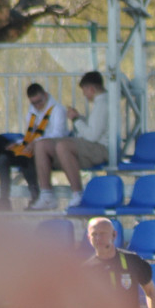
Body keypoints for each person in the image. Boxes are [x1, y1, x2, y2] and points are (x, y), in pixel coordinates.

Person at [29, 71, 109, 211]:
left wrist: (76, 119)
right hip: (91, 145)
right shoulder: (99, 103)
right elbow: (93, 129)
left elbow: (92, 136)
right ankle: (46, 195)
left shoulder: (103, 104)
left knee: (63, 146)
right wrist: (80, 118)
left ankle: (78, 193)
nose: (84, 95)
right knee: (41, 145)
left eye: (84, 91)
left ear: (91, 89)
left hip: (100, 148)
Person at [0, 83, 69, 209]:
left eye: (39, 101)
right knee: (3, 158)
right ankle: (4, 200)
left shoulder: (58, 110)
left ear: (45, 95)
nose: (37, 105)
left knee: (27, 158)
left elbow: (58, 134)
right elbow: (30, 136)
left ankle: (35, 197)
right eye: (34, 103)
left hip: (49, 150)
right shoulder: (32, 111)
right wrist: (19, 143)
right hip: (31, 146)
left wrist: (35, 143)